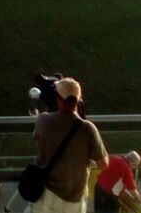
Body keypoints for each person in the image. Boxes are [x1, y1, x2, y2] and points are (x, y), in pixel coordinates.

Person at [32, 78, 108, 213]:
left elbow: (37, 139)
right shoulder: (88, 129)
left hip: (46, 192)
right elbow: (103, 164)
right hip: (74, 197)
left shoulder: (43, 120)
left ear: (57, 98)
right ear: (79, 101)